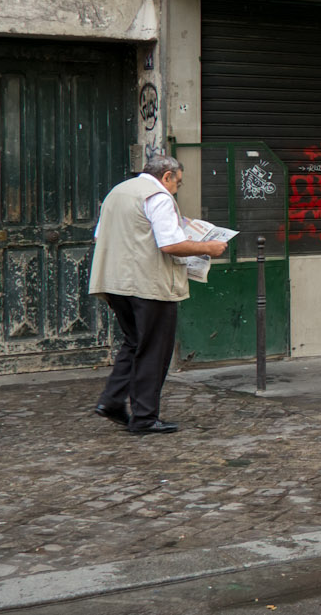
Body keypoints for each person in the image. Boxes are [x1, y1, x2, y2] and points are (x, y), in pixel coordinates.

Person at [89, 155, 227, 435]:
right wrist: (208, 248)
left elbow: (99, 235)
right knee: (154, 349)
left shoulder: (118, 192)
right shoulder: (159, 197)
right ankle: (144, 418)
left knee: (134, 342)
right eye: (178, 183)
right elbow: (170, 244)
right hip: (148, 285)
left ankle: (112, 400)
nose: (177, 189)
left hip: (116, 282)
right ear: (166, 176)